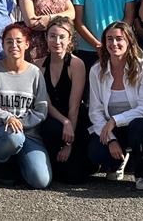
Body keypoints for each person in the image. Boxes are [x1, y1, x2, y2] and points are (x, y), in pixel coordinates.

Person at [0, 24, 52, 189]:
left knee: (41, 181)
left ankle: (18, 161)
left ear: (27, 44)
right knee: (14, 137)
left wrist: (20, 123)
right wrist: (8, 118)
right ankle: (2, 160)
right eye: (9, 41)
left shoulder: (35, 73)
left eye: (19, 41)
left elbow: (41, 110)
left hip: (29, 133)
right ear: (3, 44)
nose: (14, 46)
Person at [86, 21, 143, 189]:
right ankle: (118, 160)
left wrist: (115, 120)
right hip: (111, 128)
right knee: (96, 153)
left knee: (139, 127)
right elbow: (95, 111)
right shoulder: (96, 70)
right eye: (109, 39)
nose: (114, 43)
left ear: (129, 41)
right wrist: (111, 140)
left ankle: (141, 174)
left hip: (136, 125)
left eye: (119, 39)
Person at [39, 17, 89, 184]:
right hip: (53, 119)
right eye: (52, 36)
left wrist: (68, 144)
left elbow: (74, 107)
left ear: (69, 39)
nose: (57, 41)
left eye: (62, 37)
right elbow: (46, 103)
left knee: (73, 177)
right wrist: (64, 121)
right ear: (46, 38)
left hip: (75, 120)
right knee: (51, 127)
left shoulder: (76, 64)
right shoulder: (38, 65)